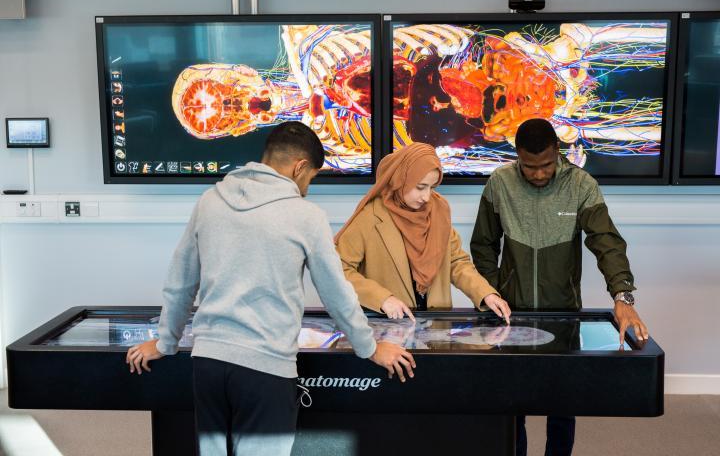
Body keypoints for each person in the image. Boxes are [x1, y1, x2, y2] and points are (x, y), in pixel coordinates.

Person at [125, 121, 416, 456]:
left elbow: (180, 282)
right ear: (300, 166)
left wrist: (165, 342)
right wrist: (369, 347)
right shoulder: (306, 215)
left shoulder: (210, 201)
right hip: (266, 368)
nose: (308, 188)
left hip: (208, 364)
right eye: (312, 178)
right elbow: (336, 292)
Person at [470, 118, 650, 456]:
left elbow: (606, 242)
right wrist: (490, 292)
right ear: (517, 157)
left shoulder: (581, 184)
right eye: (530, 167)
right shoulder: (499, 183)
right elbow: (483, 245)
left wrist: (622, 295)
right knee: (512, 403)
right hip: (511, 314)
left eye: (547, 165)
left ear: (558, 152)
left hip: (565, 311)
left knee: (563, 402)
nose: (539, 174)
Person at [334, 142, 511, 322]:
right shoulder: (369, 218)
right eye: (420, 187)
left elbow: (456, 262)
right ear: (400, 180)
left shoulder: (438, 210)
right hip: (389, 331)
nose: (426, 197)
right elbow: (338, 270)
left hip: (435, 332)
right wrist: (382, 298)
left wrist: (485, 294)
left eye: (432, 187)